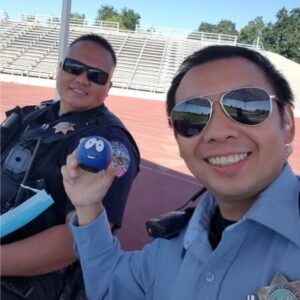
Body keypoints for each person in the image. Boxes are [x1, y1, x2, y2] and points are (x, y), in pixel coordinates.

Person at [63, 45, 300, 300]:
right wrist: (89, 207)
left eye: (247, 106)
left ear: (286, 122)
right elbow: (112, 286)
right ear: (177, 139)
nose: (218, 132)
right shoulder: (172, 245)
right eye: (192, 117)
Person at [0, 33, 140, 299]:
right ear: (60, 68)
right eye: (74, 68)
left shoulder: (107, 144)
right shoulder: (34, 115)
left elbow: (73, 242)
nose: (82, 79)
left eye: (96, 75)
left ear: (109, 86)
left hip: (27, 283)